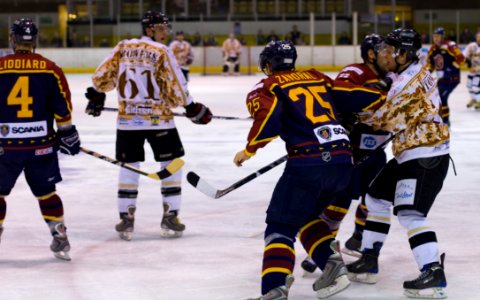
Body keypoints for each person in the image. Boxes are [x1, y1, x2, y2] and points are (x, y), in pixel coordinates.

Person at [234, 40, 386, 300]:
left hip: (307, 165)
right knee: (306, 216)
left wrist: (250, 149)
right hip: (342, 161)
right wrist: (380, 100)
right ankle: (331, 264)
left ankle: (274, 289)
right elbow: (352, 97)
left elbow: (269, 118)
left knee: (280, 226)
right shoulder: (317, 76)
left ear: (268, 65)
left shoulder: (268, 85)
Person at [84, 10, 212, 241]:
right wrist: (191, 107)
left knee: (128, 166)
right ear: (149, 29)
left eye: (166, 28)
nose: (165, 32)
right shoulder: (161, 51)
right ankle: (171, 215)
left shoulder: (123, 47)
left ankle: (126, 217)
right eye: (161, 28)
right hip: (159, 120)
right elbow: (176, 83)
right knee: (172, 164)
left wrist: (96, 95)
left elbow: (103, 75)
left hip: (127, 121)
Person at [346, 28, 450, 299]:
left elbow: (386, 120)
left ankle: (432, 271)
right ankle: (369, 259)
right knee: (376, 197)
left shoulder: (408, 84)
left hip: (425, 156)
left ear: (404, 54)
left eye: (391, 50)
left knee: (410, 214)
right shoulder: (410, 71)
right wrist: (386, 83)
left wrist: (355, 118)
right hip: (412, 152)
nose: (385, 54)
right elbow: (396, 90)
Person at [300, 34, 392, 274]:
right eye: (384, 50)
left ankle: (359, 237)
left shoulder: (391, 77)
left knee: (375, 198)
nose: (389, 55)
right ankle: (322, 250)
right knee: (338, 201)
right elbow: (336, 95)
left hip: (377, 150)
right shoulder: (355, 72)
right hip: (352, 150)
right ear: (371, 54)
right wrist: (345, 114)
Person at [0, 18, 80, 261]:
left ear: (13, 38)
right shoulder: (50, 68)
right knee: (46, 193)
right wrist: (67, 133)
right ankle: (60, 235)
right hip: (42, 146)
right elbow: (62, 106)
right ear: (34, 40)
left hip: (5, 146)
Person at [427, 27, 465, 125]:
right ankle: (443, 119)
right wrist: (427, 73)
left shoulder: (450, 45)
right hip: (442, 79)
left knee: (441, 97)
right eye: (434, 36)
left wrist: (450, 70)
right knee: (438, 98)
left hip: (453, 78)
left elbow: (461, 58)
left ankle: (445, 121)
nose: (435, 38)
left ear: (443, 36)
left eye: (438, 36)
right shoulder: (433, 48)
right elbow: (430, 63)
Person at [463, 31, 480, 109]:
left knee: (475, 87)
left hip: (479, 71)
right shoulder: (471, 46)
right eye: (478, 37)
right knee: (469, 86)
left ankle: (479, 100)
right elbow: (464, 56)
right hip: (472, 70)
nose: (479, 39)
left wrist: (478, 68)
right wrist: (469, 67)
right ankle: (473, 99)